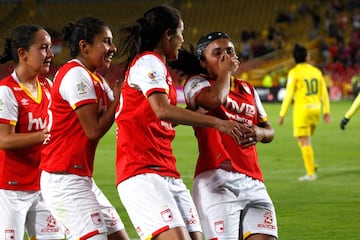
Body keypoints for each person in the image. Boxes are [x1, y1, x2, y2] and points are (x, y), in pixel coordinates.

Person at [115, 5, 245, 240]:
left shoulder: (157, 66)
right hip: (141, 170)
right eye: (180, 33)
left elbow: (160, 118)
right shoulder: (148, 62)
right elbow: (163, 111)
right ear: (167, 34)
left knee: (196, 237)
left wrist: (191, 110)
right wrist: (217, 123)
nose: (182, 40)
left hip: (166, 170)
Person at [168, 32, 278, 240]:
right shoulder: (197, 83)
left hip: (254, 181)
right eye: (217, 53)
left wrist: (259, 132)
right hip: (216, 181)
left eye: (230, 51)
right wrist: (225, 72)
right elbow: (215, 99)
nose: (225, 56)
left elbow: (269, 131)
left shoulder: (247, 89)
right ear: (203, 62)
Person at [39, 16, 130, 240]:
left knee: (118, 236)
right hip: (63, 180)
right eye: (106, 42)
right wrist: (117, 101)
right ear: (84, 46)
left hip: (80, 177)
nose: (113, 48)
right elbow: (94, 130)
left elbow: (120, 112)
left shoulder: (96, 78)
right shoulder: (75, 75)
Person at [0, 24, 65, 240]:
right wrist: (41, 136)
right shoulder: (6, 91)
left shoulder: (48, 86)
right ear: (23, 53)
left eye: (50, 48)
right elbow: (4, 139)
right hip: (10, 190)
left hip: (44, 186)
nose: (49, 54)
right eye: (43, 48)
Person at [278, 43, 331, 181]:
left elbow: (289, 94)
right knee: (301, 138)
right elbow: (324, 92)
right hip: (316, 110)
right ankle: (311, 162)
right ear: (306, 57)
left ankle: (311, 173)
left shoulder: (294, 72)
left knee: (304, 140)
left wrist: (282, 114)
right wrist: (326, 110)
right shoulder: (316, 71)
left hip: (303, 110)